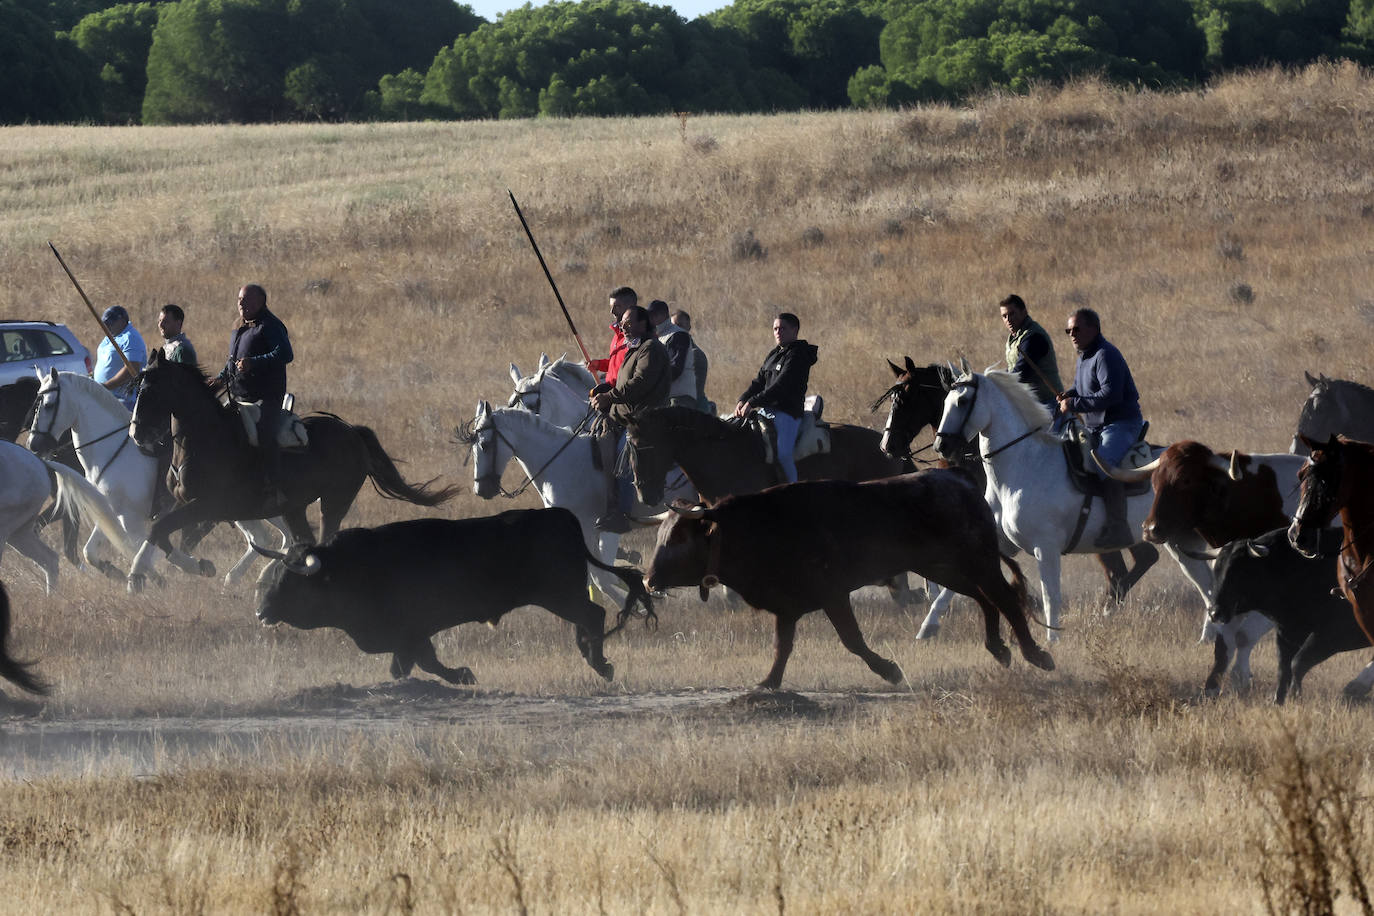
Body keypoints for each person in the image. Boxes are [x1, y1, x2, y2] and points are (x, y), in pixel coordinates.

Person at [1056, 308, 1143, 549]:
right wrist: (1069, 394)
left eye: (1076, 329)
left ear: (1093, 329)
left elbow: (1110, 396)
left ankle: (1119, 527)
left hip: (1121, 423)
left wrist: (1074, 403)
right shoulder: (1084, 356)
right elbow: (1082, 387)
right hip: (1095, 426)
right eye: (1068, 330)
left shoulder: (1106, 355)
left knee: (1102, 464)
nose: (1072, 334)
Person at [589, 304, 670, 532]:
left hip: (644, 420)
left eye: (628, 323)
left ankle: (622, 514)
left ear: (643, 324)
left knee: (625, 457)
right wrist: (604, 391)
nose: (623, 327)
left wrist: (609, 398)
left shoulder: (651, 349)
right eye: (622, 324)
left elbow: (640, 384)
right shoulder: (634, 350)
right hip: (623, 418)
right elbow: (622, 384)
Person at [216, 284, 293, 503]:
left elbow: (286, 354)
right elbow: (233, 361)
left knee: (264, 434)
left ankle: (274, 487)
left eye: (247, 300)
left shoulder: (271, 326)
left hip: (267, 397)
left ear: (261, 302)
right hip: (240, 396)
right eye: (240, 299)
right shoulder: (239, 326)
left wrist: (255, 362)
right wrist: (221, 378)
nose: (241, 303)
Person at [735, 312, 817, 484]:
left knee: (783, 454)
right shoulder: (774, 354)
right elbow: (758, 382)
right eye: (775, 329)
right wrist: (742, 400)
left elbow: (781, 386)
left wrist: (753, 402)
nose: (778, 332)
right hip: (766, 411)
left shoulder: (798, 354)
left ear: (795, 330)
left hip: (787, 413)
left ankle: (792, 489)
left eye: (782, 328)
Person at [1000, 293, 1063, 423]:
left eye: (1012, 314)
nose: (1008, 319)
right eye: (1004, 316)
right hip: (1029, 405)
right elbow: (1012, 368)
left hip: (1048, 404)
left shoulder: (1033, 337)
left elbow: (1021, 373)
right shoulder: (1014, 338)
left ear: (1024, 311)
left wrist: (996, 384)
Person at [93, 305, 147, 411]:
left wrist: (106, 386)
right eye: (105, 323)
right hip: (104, 396)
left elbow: (132, 369)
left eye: (110, 323)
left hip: (122, 401)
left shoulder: (131, 338)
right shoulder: (110, 336)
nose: (107, 326)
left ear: (122, 320)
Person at [648, 300, 697, 409]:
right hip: (667, 397)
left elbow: (675, 368)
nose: (650, 319)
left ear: (664, 315)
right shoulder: (659, 336)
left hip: (679, 398)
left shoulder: (677, 334)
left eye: (654, 315)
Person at [585, 286, 636, 386]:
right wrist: (600, 364)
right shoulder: (617, 334)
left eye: (616, 306)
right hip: (613, 396)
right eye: (611, 307)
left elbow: (635, 371)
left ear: (631, 307)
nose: (611, 311)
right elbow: (618, 365)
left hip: (626, 397)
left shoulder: (639, 336)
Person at [672, 308, 713, 414]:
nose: (676, 329)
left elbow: (695, 392)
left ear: (688, 327)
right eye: (673, 326)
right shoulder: (670, 349)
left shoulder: (695, 354)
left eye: (680, 325)